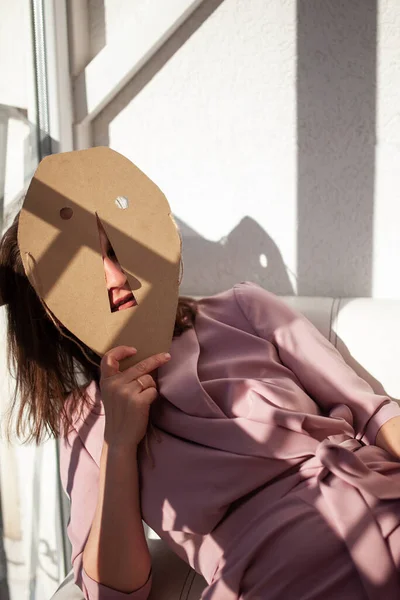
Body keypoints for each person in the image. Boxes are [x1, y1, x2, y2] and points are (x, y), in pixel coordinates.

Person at [1, 213, 400, 600]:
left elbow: (371, 411)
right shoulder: (84, 421)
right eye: (85, 272)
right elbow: (112, 591)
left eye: (117, 251)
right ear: (49, 310)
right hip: (272, 576)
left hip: (381, 503)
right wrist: (119, 444)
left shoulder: (243, 308)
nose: (118, 278)